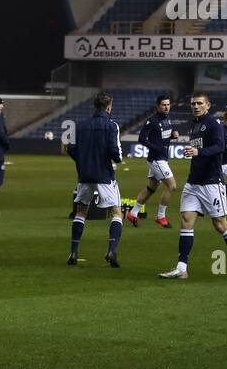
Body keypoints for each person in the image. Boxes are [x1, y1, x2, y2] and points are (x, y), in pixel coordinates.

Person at [159, 92, 227, 280]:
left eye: (199, 103)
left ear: (208, 105)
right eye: (193, 103)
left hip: (211, 183)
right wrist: (194, 152)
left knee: (220, 225)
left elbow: (219, 147)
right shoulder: (195, 125)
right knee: (186, 220)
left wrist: (199, 151)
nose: (195, 106)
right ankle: (181, 268)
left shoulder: (213, 125)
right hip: (194, 182)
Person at [62, 92, 125, 267]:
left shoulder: (80, 126)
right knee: (116, 212)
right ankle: (112, 250)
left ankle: (73, 253)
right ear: (109, 106)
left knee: (81, 212)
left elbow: (71, 148)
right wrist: (118, 159)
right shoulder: (111, 125)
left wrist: (82, 161)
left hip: (84, 175)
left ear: (94, 106)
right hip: (104, 175)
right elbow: (115, 151)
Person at [130, 95, 178, 228]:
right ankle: (161, 216)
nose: (166, 107)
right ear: (157, 106)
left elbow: (163, 139)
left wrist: (172, 136)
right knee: (172, 186)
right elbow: (141, 138)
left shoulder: (168, 120)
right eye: (163, 105)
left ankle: (133, 213)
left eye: (168, 104)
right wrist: (156, 148)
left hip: (161, 158)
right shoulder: (151, 121)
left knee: (151, 189)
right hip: (157, 159)